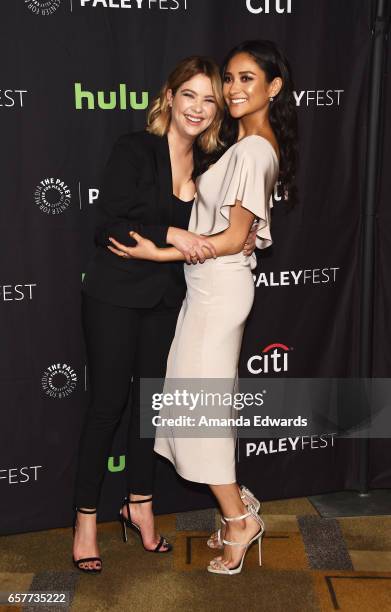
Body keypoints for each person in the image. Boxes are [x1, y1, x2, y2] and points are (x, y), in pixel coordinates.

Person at [108, 39, 298, 575]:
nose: (234, 90)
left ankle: (239, 520)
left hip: (218, 293)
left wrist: (158, 249)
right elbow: (220, 223)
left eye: (247, 81)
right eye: (229, 81)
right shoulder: (240, 147)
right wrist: (194, 196)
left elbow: (235, 237)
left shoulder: (256, 149)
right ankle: (237, 509)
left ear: (273, 89)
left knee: (200, 413)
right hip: (206, 291)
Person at [72, 56, 257, 573]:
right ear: (169, 97)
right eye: (190, 95)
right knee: (107, 407)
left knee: (149, 412)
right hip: (111, 297)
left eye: (209, 100)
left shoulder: (208, 167)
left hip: (165, 302)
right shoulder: (135, 149)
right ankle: (85, 522)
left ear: (217, 112)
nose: (197, 108)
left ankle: (141, 508)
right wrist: (173, 233)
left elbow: (227, 233)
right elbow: (109, 224)